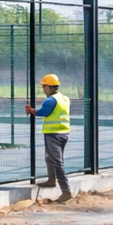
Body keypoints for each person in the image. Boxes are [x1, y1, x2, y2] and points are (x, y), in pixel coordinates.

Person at [24, 73, 72, 202]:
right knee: (49, 157)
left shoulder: (51, 100)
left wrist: (32, 111)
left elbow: (44, 112)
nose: (43, 89)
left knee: (57, 162)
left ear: (49, 87)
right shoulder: (64, 98)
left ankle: (66, 191)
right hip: (64, 133)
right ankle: (51, 179)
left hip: (53, 134)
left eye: (44, 87)